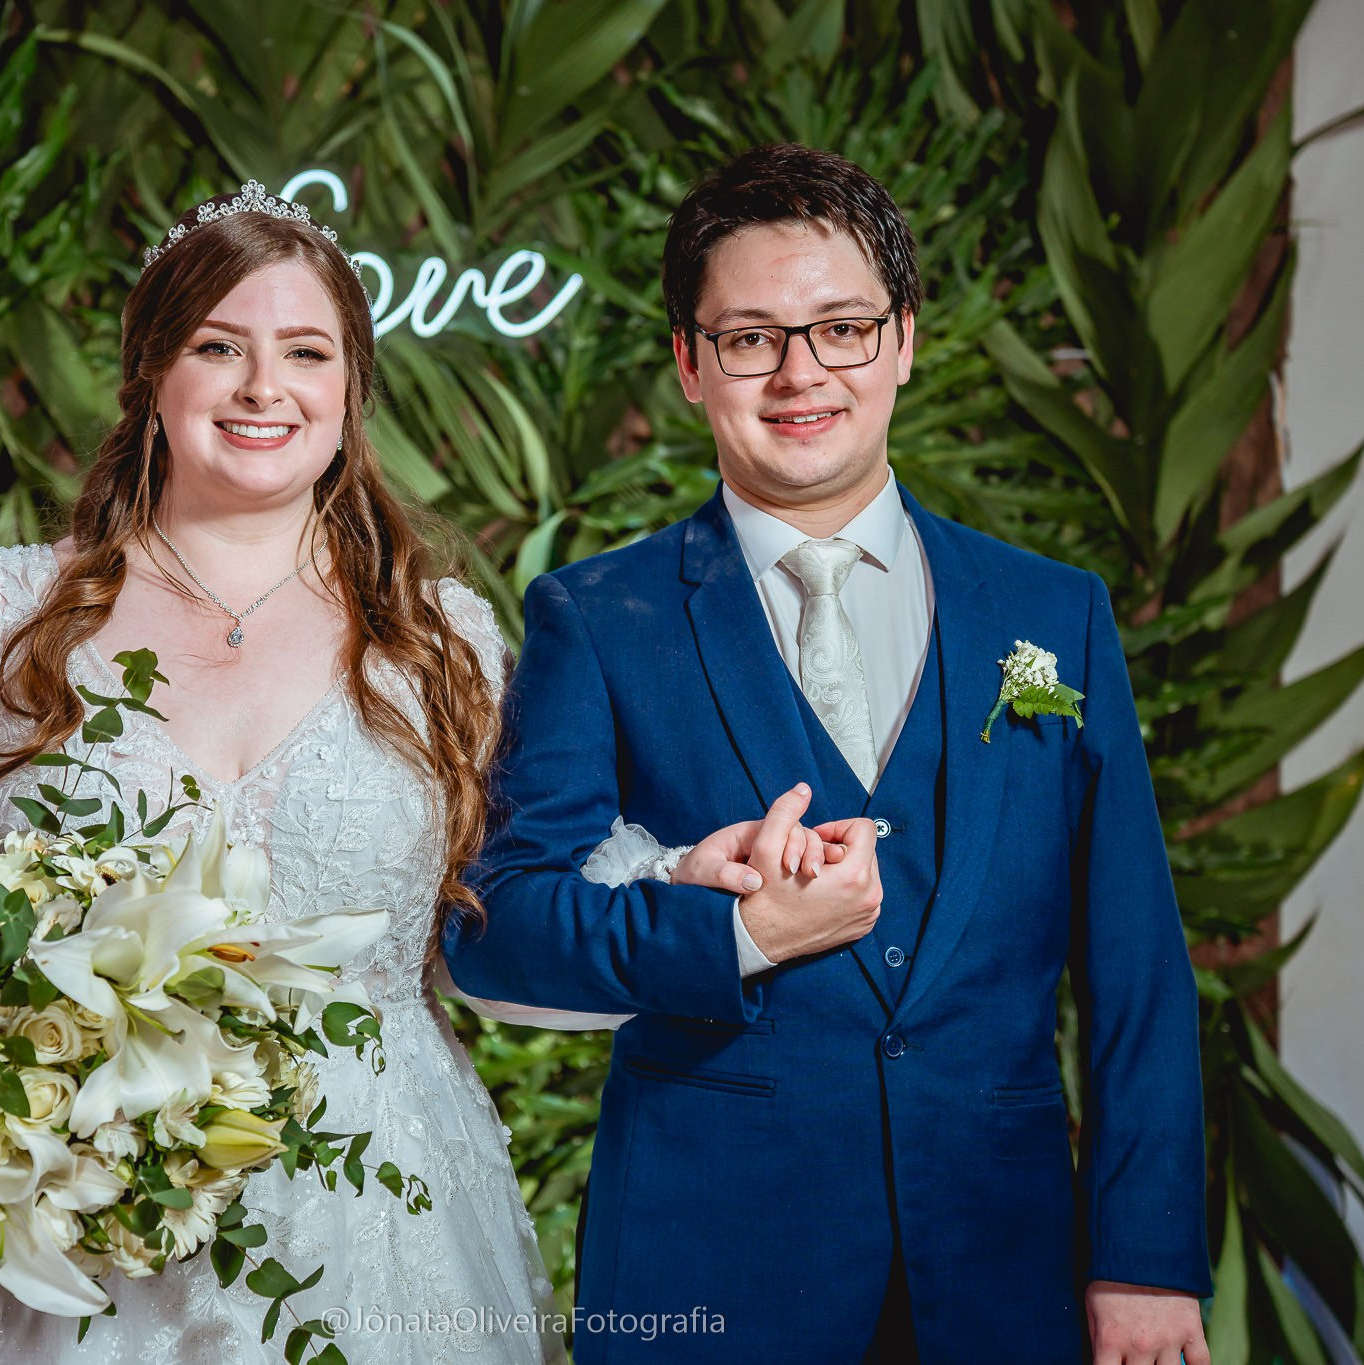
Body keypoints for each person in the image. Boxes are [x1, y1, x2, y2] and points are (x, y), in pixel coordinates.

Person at [0, 183, 695, 1363]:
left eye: (306, 352)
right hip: (68, 1205)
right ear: (152, 375)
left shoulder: (435, 636)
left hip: (378, 1208)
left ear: (350, 393)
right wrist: (6, 1046)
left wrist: (703, 875)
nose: (264, 387)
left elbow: (529, 879)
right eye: (218, 348)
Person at [443, 143, 1212, 1364]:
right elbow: (502, 926)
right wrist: (733, 933)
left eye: (841, 328)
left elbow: (1133, 965)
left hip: (1005, 1260)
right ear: (692, 365)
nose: (799, 373)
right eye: (749, 338)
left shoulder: (1049, 615)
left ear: (901, 340)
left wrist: (1145, 1257)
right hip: (712, 1263)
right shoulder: (594, 616)